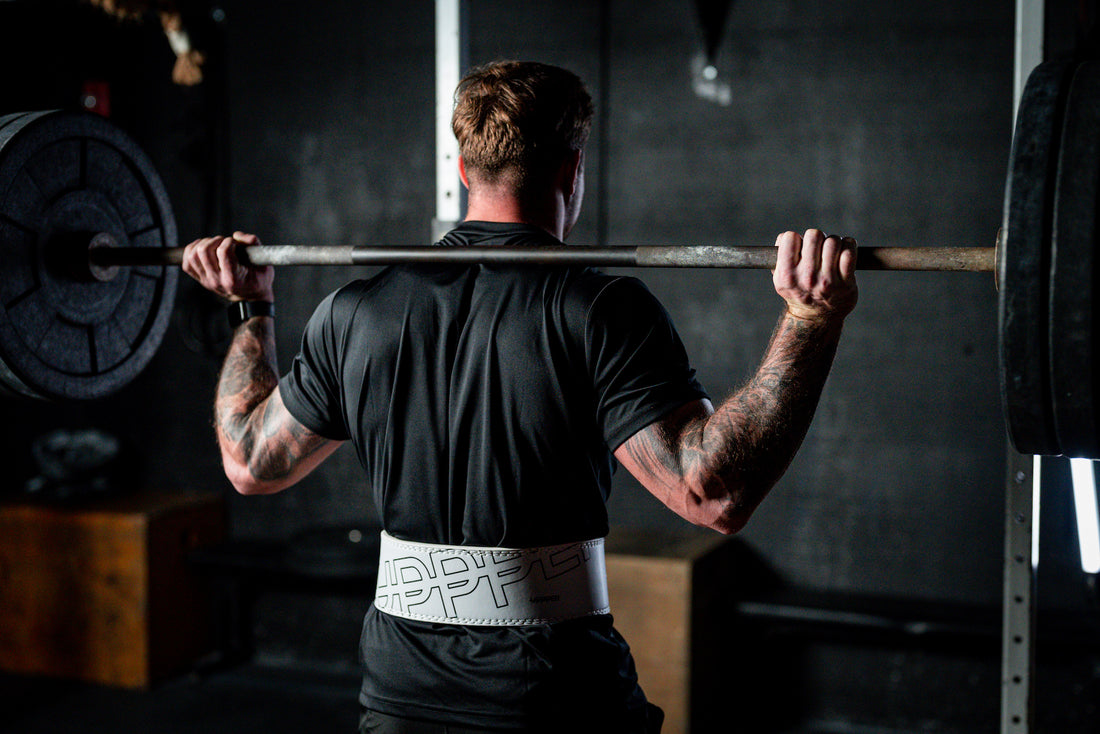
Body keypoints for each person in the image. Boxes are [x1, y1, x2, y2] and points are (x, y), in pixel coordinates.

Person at [182, 60, 858, 733]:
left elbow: (249, 462)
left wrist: (252, 309)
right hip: (554, 705)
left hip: (398, 703)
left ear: (463, 170)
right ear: (571, 171)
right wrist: (809, 322)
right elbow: (712, 493)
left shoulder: (354, 312)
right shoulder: (600, 308)